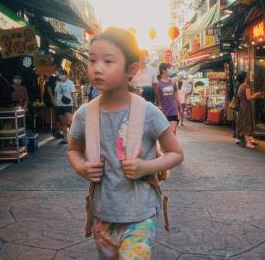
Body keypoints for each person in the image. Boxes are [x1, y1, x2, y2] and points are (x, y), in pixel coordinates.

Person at [68, 27, 184, 259]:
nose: (97, 68)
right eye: (92, 60)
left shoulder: (148, 112)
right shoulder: (84, 114)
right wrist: (81, 167)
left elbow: (176, 153)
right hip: (102, 215)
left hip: (141, 216)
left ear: (132, 69)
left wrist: (146, 167)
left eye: (108, 61)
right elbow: (74, 150)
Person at [236, 71, 262, 149]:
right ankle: (248, 142)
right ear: (244, 78)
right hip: (246, 107)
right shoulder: (246, 86)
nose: (247, 77)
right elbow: (249, 98)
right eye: (246, 76)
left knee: (243, 123)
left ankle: (244, 139)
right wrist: (256, 94)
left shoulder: (240, 86)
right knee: (246, 123)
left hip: (241, 106)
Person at [156, 63, 181, 134]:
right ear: (163, 70)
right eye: (169, 69)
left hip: (173, 110)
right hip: (163, 112)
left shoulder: (172, 82)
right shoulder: (158, 83)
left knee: (173, 132)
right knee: (165, 134)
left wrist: (180, 106)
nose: (171, 70)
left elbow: (176, 94)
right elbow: (157, 98)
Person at [55, 70, 77, 144]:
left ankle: (73, 138)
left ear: (66, 75)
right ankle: (65, 139)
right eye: (60, 74)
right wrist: (55, 102)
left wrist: (75, 104)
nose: (60, 76)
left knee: (70, 122)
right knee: (63, 123)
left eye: (62, 74)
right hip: (59, 104)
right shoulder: (58, 83)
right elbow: (56, 93)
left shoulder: (70, 83)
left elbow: (73, 94)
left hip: (68, 104)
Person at [45, 69, 61, 138]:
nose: (58, 73)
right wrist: (52, 98)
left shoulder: (60, 80)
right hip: (52, 100)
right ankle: (55, 131)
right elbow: (49, 88)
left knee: (58, 116)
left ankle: (57, 132)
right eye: (58, 71)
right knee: (55, 116)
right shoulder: (52, 78)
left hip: (59, 100)